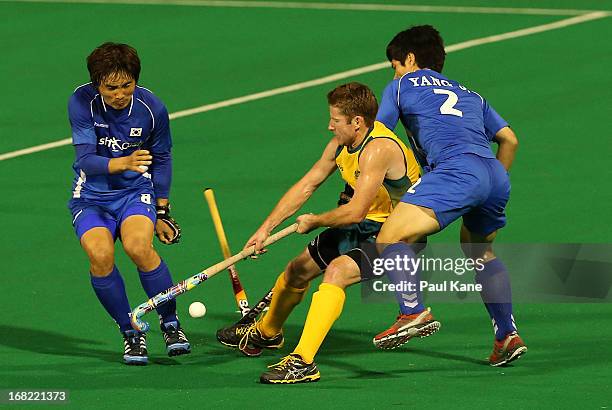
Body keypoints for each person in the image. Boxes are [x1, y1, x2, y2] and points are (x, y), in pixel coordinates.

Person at [216, 82, 427, 384]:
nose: (329, 126)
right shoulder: (342, 143)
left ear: (357, 122)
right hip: (361, 225)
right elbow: (308, 184)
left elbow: (354, 210)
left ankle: (303, 362)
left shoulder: (378, 149)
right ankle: (267, 333)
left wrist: (316, 220)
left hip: (395, 235)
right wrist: (264, 229)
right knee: (297, 270)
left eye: (335, 120)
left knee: (337, 272)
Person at [372, 25, 526, 366]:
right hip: (493, 174)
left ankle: (412, 312)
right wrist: (490, 180)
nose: (393, 71)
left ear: (409, 59)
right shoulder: (470, 93)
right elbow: (510, 140)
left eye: (395, 63)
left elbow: (380, 138)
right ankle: (506, 335)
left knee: (389, 237)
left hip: (455, 171)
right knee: (480, 251)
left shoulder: (400, 86)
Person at [67, 42, 190, 365]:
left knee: (139, 247)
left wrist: (163, 210)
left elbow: (161, 157)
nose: (120, 94)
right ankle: (131, 331)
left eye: (127, 85)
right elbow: (85, 161)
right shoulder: (82, 102)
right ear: (97, 84)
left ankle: (170, 323)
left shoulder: (152, 109)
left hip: (135, 193)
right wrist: (122, 162)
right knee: (100, 255)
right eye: (111, 88)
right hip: (91, 197)